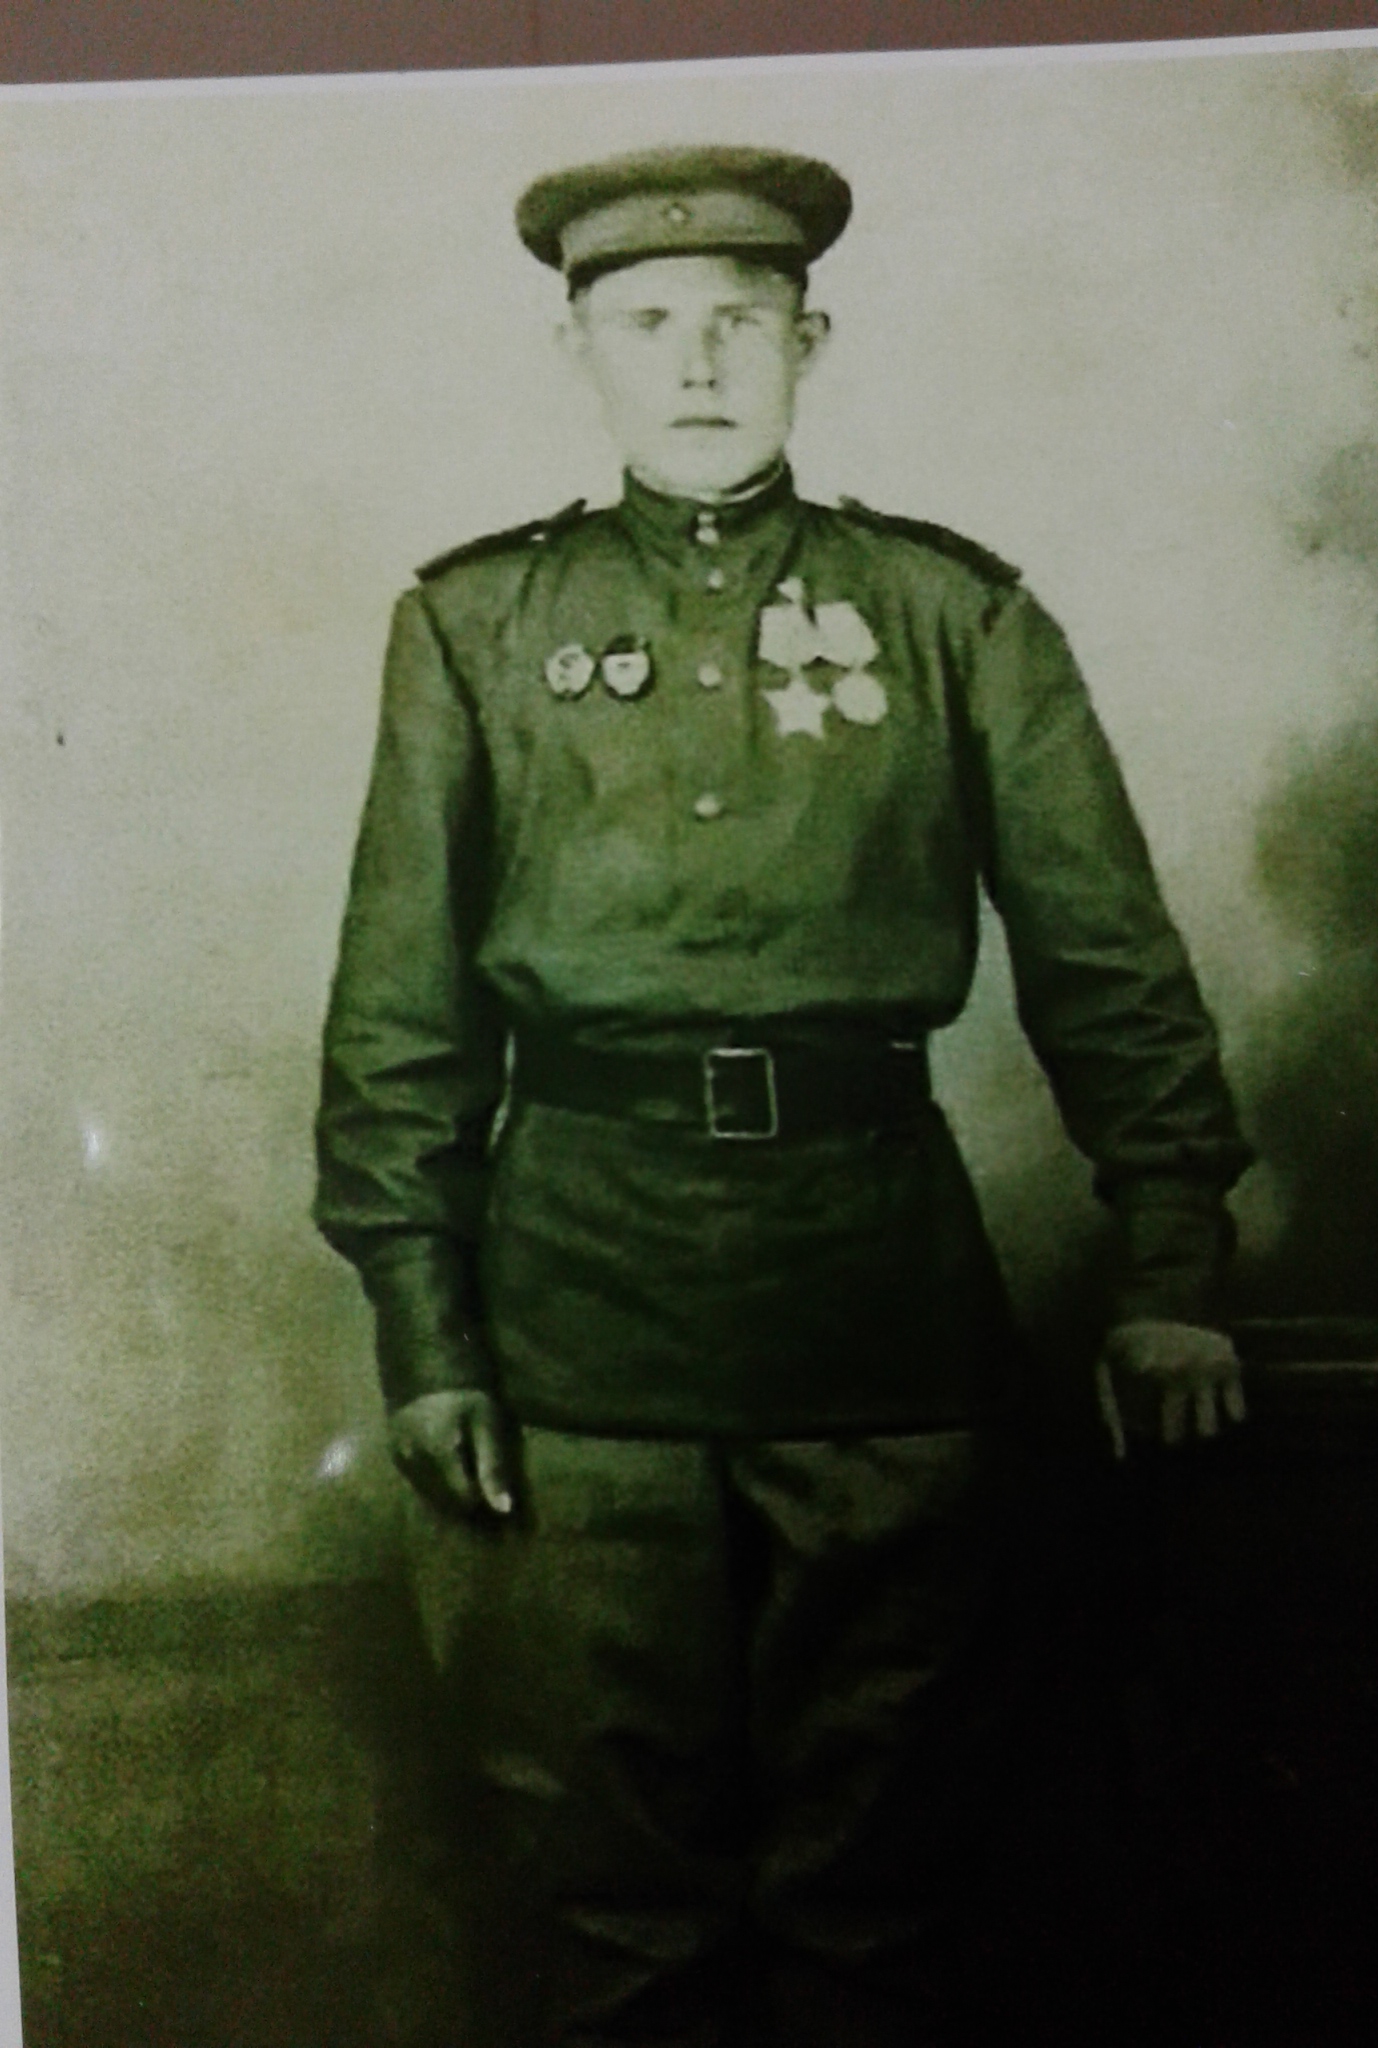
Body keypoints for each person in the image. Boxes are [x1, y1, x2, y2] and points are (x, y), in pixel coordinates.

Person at [314, 144, 1251, 2048]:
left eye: (742, 321)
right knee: (615, 1909)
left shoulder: (954, 613)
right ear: (579, 350)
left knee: (883, 1898)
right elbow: (400, 1011)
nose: (698, 362)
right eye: (648, 322)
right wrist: (426, 1329)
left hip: (878, 1313)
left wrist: (1171, 1269)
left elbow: (1111, 969)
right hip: (577, 1329)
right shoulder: (475, 624)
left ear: (810, 343)